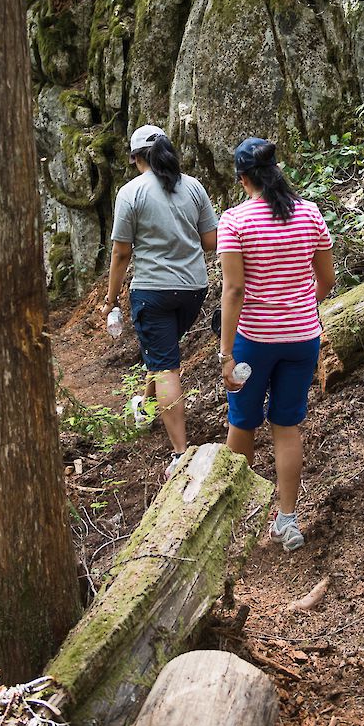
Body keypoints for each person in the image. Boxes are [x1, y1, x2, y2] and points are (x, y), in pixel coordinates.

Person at [218, 138, 335, 553]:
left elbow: (233, 291)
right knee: (287, 426)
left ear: (243, 178)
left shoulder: (235, 222)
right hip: (303, 339)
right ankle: (287, 521)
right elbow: (327, 280)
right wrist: (301, 307)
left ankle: (233, 521)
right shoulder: (309, 213)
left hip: (254, 340)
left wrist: (226, 353)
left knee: (243, 422)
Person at [104, 124, 218, 473]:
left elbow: (122, 253)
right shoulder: (194, 186)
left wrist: (110, 300)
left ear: (137, 158)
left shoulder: (131, 193)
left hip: (153, 291)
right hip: (193, 291)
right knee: (163, 354)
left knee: (167, 366)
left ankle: (180, 454)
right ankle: (145, 404)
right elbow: (211, 241)